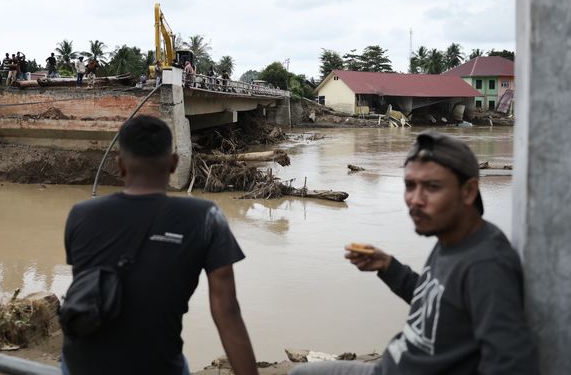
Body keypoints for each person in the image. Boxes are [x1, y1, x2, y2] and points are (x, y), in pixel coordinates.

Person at [289, 131, 538, 375]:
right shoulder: (450, 238)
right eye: (410, 185)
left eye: (432, 187)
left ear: (468, 191)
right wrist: (388, 266)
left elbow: (511, 363)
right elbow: (435, 304)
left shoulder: (486, 264)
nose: (415, 199)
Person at [62, 116, 258, 375]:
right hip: (158, 366)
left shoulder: (80, 214)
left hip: (80, 366)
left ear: (120, 166)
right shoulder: (205, 217)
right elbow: (227, 312)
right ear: (174, 164)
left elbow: (92, 290)